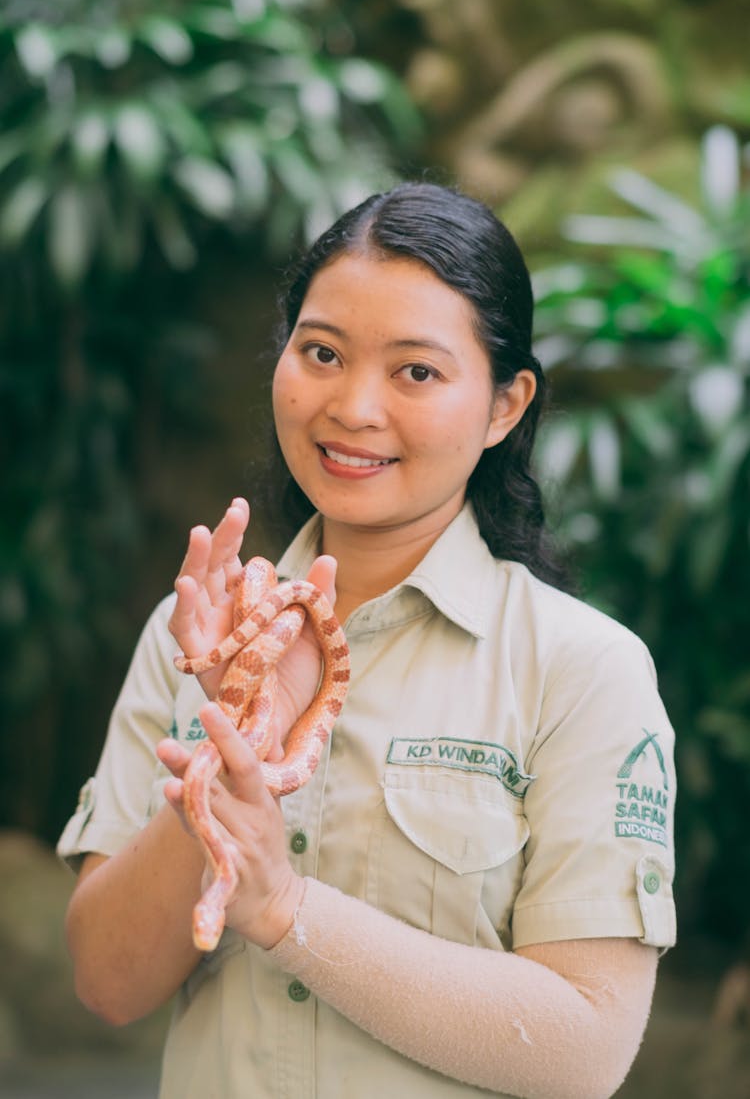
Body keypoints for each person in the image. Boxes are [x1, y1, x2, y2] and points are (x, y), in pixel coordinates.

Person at [59, 182, 676, 1099]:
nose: (351, 407)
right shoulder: (193, 634)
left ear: (506, 406)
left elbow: (584, 1046)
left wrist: (286, 909)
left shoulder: (582, 671)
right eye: (321, 352)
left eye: (415, 371)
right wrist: (234, 740)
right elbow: (109, 983)